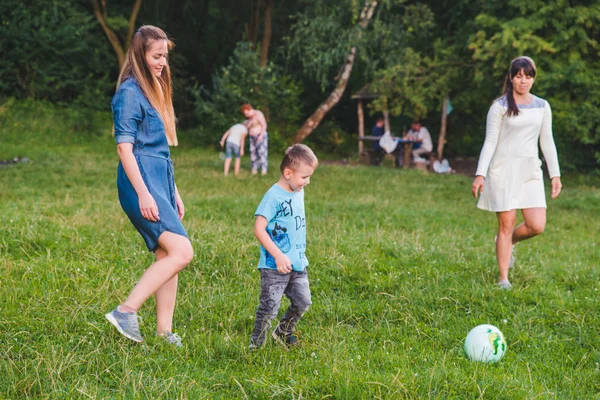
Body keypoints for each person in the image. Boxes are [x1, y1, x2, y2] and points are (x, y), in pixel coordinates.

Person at [105, 25, 194, 346]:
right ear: (140, 55)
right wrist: (144, 193)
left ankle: (164, 331)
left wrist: (175, 192)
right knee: (183, 252)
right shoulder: (129, 93)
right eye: (156, 56)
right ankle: (125, 311)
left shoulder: (151, 90)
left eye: (165, 57)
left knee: (167, 254)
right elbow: (124, 148)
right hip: (139, 182)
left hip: (160, 181)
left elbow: (160, 150)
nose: (162, 63)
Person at [471, 56, 562, 290]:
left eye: (528, 76)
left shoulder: (542, 106)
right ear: (511, 78)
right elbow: (489, 142)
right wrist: (480, 174)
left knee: (536, 225)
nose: (523, 81)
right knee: (506, 224)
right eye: (519, 75)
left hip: (530, 171)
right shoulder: (499, 106)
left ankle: (504, 242)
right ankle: (503, 278)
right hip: (503, 171)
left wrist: (555, 175)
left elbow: (548, 142)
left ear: (533, 78)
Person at [249, 144, 319, 349]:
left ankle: (282, 332)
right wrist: (278, 255)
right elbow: (259, 228)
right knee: (269, 307)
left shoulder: (298, 190)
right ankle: (256, 347)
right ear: (288, 173)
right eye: (304, 177)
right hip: (274, 265)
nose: (307, 182)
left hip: (297, 263)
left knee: (303, 302)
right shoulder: (273, 196)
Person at [241, 103, 268, 175]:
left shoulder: (258, 114)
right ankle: (254, 169)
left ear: (250, 109)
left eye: (247, 113)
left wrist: (261, 135)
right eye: (245, 114)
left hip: (260, 136)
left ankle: (263, 170)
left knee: (261, 153)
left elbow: (264, 125)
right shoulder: (249, 119)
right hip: (252, 138)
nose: (246, 115)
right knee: (253, 153)